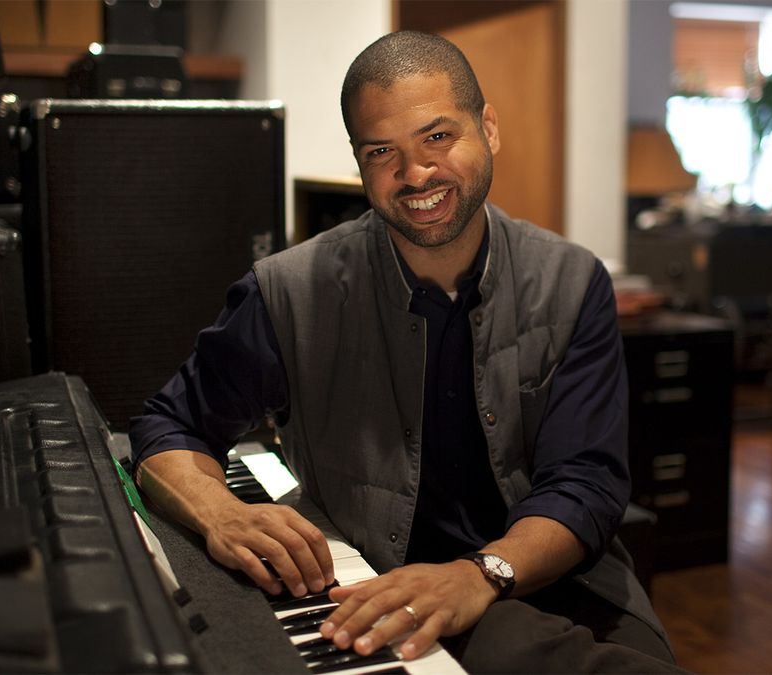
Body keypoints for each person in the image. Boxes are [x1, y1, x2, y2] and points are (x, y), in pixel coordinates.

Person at [130, 31, 683, 673]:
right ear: (360, 162)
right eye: (382, 151)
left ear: (489, 129)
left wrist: (479, 574)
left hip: (566, 583)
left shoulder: (574, 281)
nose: (415, 173)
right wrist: (220, 513)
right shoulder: (288, 290)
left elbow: (585, 485)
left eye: (438, 137)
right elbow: (168, 425)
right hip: (388, 585)